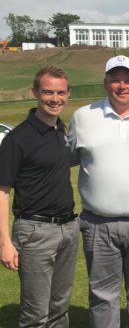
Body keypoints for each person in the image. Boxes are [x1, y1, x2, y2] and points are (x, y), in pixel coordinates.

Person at [68, 55, 129, 327]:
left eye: (127, 80)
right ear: (105, 83)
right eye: (115, 79)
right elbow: (68, 159)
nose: (121, 86)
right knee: (101, 296)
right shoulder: (83, 116)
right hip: (98, 223)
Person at [0, 66, 79, 327]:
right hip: (35, 232)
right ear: (35, 92)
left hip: (68, 228)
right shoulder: (18, 138)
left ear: (68, 94)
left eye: (60, 93)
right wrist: (5, 243)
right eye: (47, 92)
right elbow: (2, 190)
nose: (54, 98)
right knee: (36, 316)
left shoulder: (60, 130)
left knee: (59, 309)